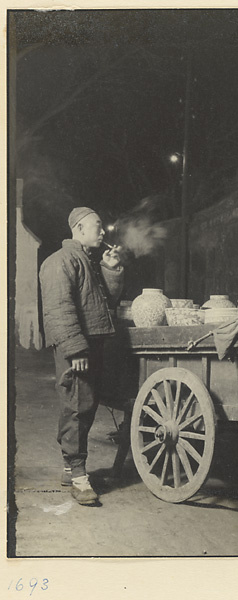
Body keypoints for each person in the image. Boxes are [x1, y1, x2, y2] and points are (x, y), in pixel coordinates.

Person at [39, 207, 124, 506]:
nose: (103, 233)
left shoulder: (87, 261)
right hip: (76, 348)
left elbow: (102, 304)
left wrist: (111, 269)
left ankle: (69, 468)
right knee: (77, 405)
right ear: (79, 228)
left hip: (91, 345)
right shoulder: (60, 261)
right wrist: (74, 349)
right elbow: (59, 309)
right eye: (97, 227)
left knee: (85, 405)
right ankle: (78, 477)